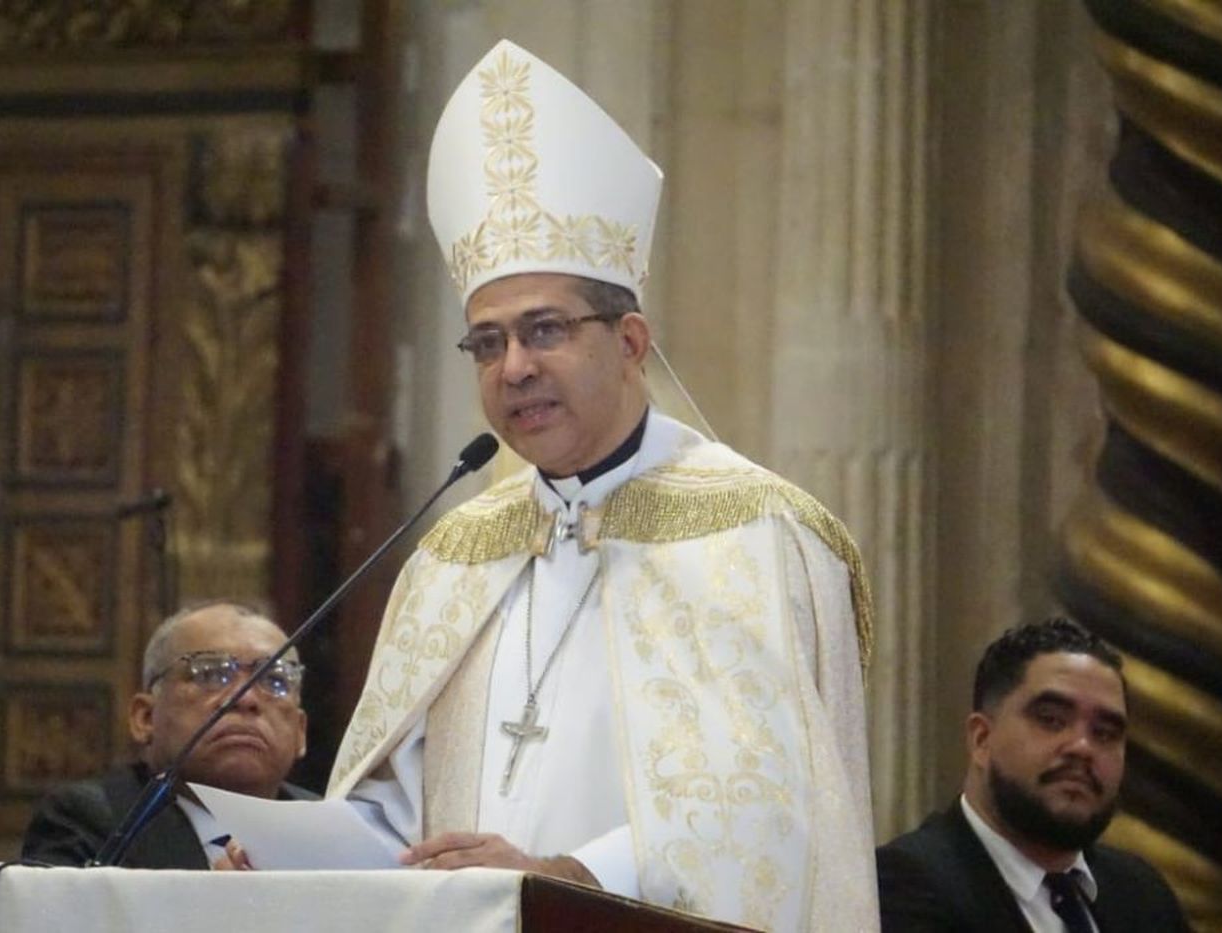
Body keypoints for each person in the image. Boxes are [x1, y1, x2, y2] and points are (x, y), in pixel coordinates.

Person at [315, 40, 878, 931]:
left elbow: (776, 815)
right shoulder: (455, 555)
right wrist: (300, 854)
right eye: (488, 343)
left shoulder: (756, 534)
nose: (515, 367)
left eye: (545, 329)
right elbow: (401, 811)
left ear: (630, 342)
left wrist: (566, 875)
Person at [876, 616, 1188, 931]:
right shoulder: (903, 884)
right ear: (982, 739)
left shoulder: (1141, 893)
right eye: (1051, 720)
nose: (1082, 747)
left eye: (1105, 733)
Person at [20, 600, 312, 868]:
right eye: (211, 674)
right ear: (145, 718)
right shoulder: (88, 822)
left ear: (300, 732)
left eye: (275, 680)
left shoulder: (333, 830)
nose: (245, 698)